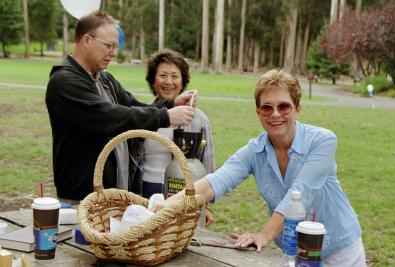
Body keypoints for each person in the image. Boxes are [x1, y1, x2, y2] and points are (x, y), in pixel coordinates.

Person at [167, 69, 366, 266]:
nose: (275, 114)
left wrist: (264, 234)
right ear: (258, 112)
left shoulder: (322, 141)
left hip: (339, 250)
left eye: (284, 106)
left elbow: (300, 193)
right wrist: (166, 206)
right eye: (267, 108)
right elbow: (216, 181)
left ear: (297, 108)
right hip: (293, 252)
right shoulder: (255, 150)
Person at [45, 11, 196, 203]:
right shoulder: (64, 82)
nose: (114, 53)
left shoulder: (105, 79)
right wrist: (165, 116)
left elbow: (134, 106)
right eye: (109, 45)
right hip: (81, 199)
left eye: (116, 46)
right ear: (86, 40)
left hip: (111, 196)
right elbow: (110, 117)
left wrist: (171, 103)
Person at [135, 49, 215, 200]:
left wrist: (207, 204)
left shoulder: (199, 119)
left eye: (175, 76)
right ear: (153, 80)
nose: (169, 82)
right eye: (163, 75)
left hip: (181, 194)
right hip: (143, 192)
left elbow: (208, 164)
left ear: (183, 81)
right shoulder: (141, 116)